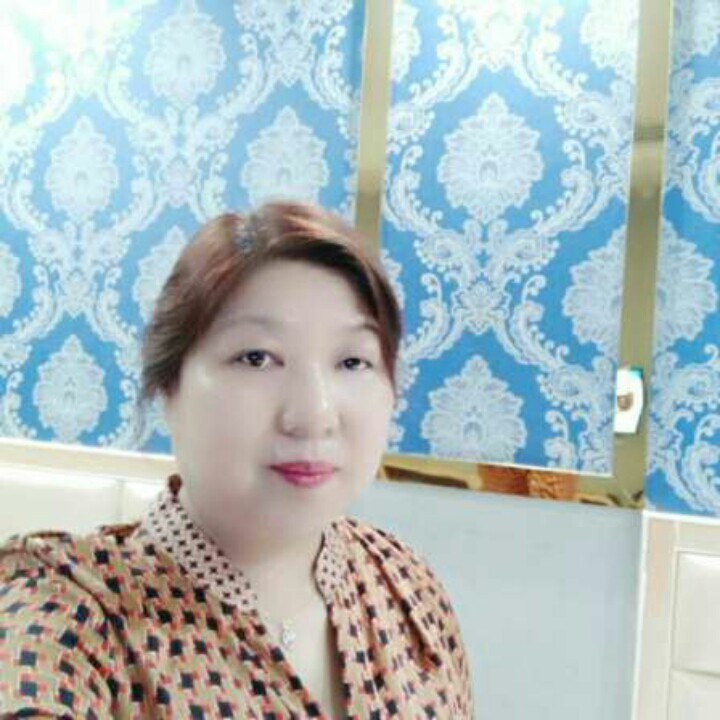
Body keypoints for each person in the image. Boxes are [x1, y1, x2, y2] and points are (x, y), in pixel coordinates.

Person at [0, 202, 474, 719]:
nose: (314, 415)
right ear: (169, 387)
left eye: (352, 361)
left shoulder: (404, 584)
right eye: (256, 358)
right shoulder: (66, 616)